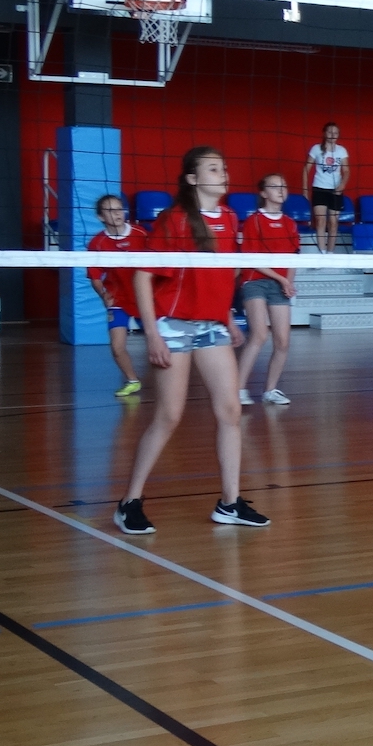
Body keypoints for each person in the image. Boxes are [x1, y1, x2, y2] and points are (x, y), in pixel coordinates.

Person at [113, 147, 268, 536]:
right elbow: (143, 276)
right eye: (213, 169)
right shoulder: (175, 219)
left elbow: (220, 274)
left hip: (212, 325)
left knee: (230, 411)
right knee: (169, 416)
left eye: (224, 167)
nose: (223, 173)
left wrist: (226, 316)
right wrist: (152, 332)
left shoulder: (230, 218)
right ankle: (129, 502)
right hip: (173, 325)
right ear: (193, 179)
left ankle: (229, 503)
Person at [236, 174, 298, 406]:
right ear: (263, 193)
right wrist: (282, 279)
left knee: (283, 341)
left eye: (284, 186)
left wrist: (288, 282)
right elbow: (252, 259)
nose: (281, 190)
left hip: (280, 283)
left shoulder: (290, 223)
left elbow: (293, 258)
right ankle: (238, 389)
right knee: (259, 334)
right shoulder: (253, 221)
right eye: (274, 186)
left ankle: (270, 390)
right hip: (255, 280)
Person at [86, 192, 148, 398]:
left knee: (159, 342)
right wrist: (103, 294)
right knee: (117, 346)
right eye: (110, 210)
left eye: (119, 208)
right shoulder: (97, 243)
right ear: (100, 217)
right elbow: (95, 276)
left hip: (144, 298)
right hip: (118, 298)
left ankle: (170, 380)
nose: (117, 213)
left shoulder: (141, 233)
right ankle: (132, 381)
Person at [302, 121, 349, 257]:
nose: (332, 135)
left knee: (333, 222)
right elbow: (306, 169)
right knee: (320, 221)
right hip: (319, 188)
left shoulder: (342, 150)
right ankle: (322, 253)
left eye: (335, 133)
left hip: (335, 190)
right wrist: (305, 190)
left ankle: (330, 253)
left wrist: (342, 184)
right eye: (330, 132)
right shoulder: (316, 149)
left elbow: (346, 171)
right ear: (324, 133)